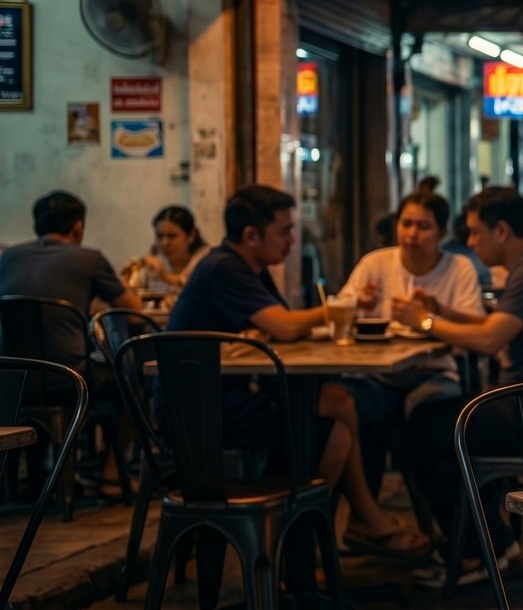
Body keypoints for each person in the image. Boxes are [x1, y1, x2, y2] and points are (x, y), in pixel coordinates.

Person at [166, 185, 429, 559]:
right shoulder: (224, 267)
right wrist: (341, 306)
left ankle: (316, 544)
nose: (293, 239)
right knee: (332, 421)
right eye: (285, 231)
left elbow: (276, 327)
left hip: (229, 398)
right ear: (251, 236)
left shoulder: (251, 267)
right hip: (198, 414)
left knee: (337, 403)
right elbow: (286, 327)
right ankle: (301, 552)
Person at [394, 187, 523, 587]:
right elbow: (495, 323)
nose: (469, 243)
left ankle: (478, 550)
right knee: (430, 420)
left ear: (500, 231)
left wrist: (425, 322)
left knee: (421, 431)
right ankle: (490, 540)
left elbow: (489, 340)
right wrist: (442, 311)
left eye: (474, 233)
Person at [338, 192, 485, 490]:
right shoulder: (374, 263)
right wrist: (358, 306)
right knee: (361, 410)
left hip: (435, 372)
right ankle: (368, 514)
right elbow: (338, 315)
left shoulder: (459, 268)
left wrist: (433, 313)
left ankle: (432, 508)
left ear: (441, 232)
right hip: (379, 376)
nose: (412, 234)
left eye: (423, 226)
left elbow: (478, 325)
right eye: (406, 224)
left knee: (426, 416)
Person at [0, 191, 143, 368]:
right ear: (78, 227)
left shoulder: (8, 257)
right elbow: (135, 314)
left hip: (12, 379)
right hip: (70, 378)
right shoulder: (90, 259)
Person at [125, 206, 210, 293]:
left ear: (191, 236)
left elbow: (201, 292)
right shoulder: (155, 258)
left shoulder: (206, 260)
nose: (164, 243)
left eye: (172, 236)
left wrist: (165, 277)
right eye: (159, 236)